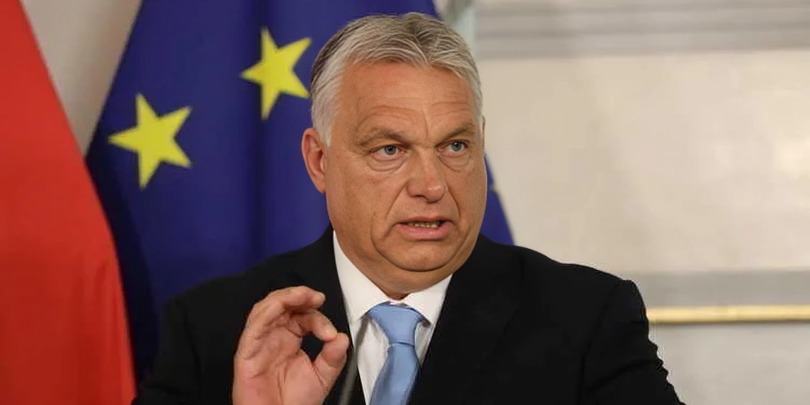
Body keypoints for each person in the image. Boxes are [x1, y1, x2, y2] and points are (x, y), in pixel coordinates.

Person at [134, 12, 683, 405]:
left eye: (455, 146)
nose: (432, 184)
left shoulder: (585, 319)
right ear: (320, 161)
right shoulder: (217, 328)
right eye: (390, 150)